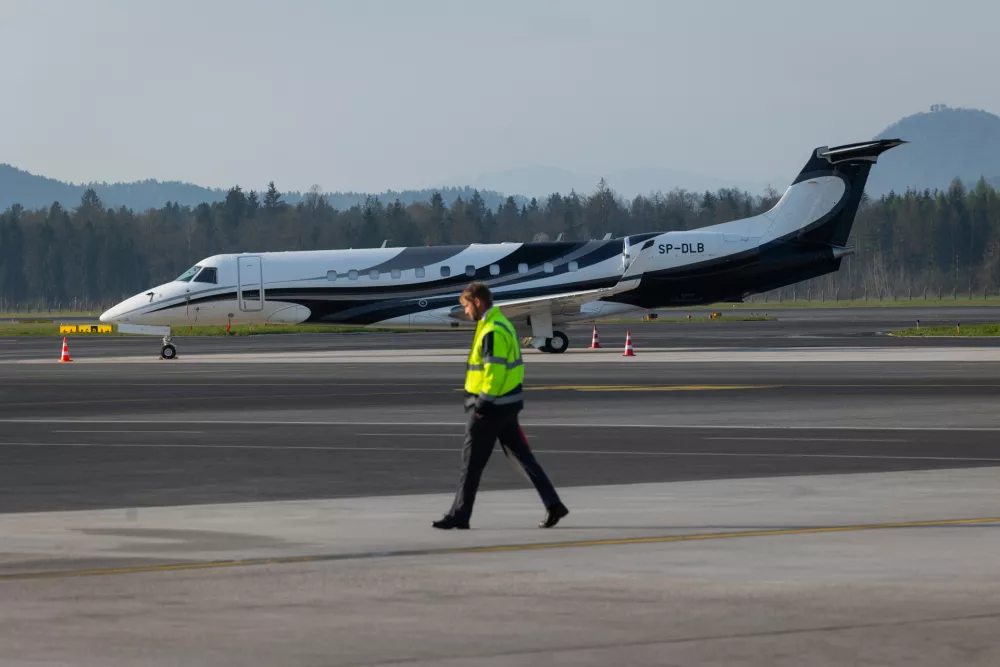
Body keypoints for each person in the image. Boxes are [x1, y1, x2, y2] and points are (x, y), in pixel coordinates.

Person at [433, 282, 569, 530]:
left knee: (471, 464)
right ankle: (553, 504)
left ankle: (460, 515)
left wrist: (482, 404)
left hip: (491, 408)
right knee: (524, 459)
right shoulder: (501, 323)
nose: (465, 312)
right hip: (508, 404)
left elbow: (494, 372)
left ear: (477, 302)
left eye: (466, 306)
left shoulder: (492, 330)